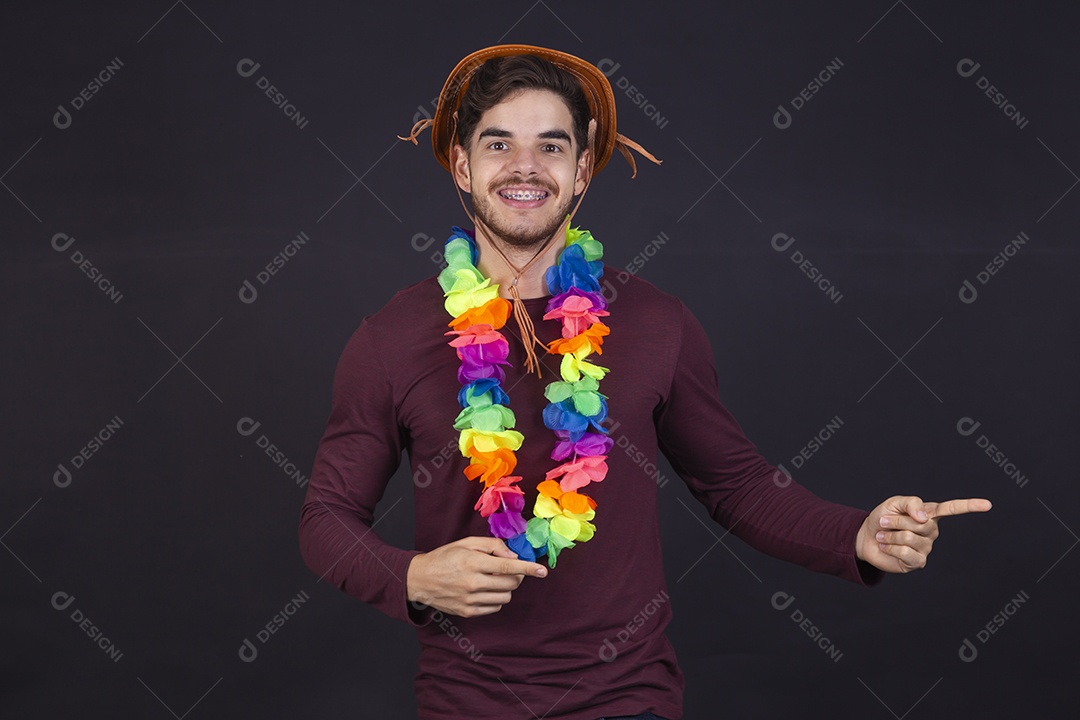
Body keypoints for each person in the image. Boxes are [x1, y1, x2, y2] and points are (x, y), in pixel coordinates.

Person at [297, 44, 992, 720]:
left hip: (625, 701)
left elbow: (735, 485)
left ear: (582, 170)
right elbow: (325, 519)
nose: (525, 167)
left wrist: (856, 534)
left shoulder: (658, 324)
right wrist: (412, 577)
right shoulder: (390, 337)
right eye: (499, 144)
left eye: (552, 145)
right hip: (466, 704)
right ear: (462, 165)